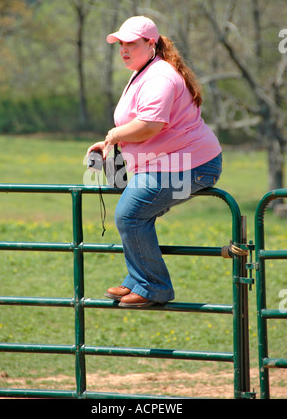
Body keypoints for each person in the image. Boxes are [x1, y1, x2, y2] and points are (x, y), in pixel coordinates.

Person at [87, 16, 222, 308]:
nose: (124, 49)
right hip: (168, 162)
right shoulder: (144, 71)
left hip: (192, 164)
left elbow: (150, 125)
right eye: (121, 44)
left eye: (131, 43)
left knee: (130, 214)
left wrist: (113, 134)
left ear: (151, 44)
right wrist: (111, 142)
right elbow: (139, 124)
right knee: (134, 214)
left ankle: (153, 288)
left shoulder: (159, 76)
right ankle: (138, 280)